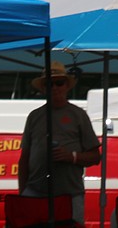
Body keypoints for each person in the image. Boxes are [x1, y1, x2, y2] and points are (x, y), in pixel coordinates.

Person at [18, 63, 100, 224]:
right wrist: (23, 193)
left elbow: (96, 157)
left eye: (59, 83)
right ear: (43, 88)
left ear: (66, 86)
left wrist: (72, 157)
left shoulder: (78, 115)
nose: (54, 87)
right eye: (49, 83)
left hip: (70, 195)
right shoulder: (34, 116)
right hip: (35, 193)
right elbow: (24, 159)